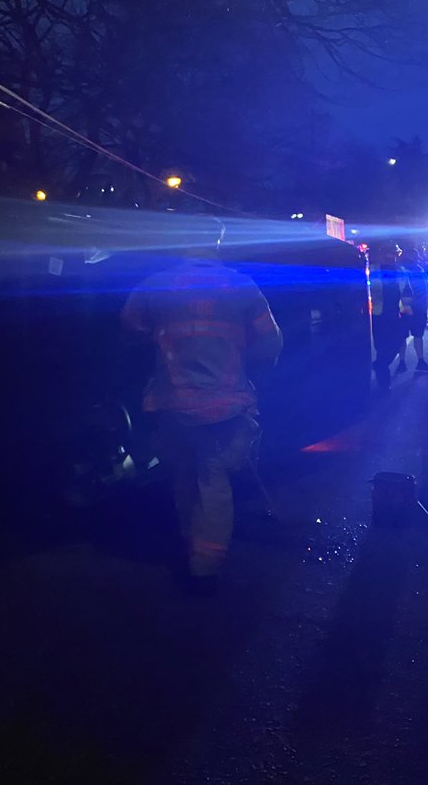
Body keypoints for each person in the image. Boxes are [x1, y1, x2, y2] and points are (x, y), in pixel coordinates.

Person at [121, 220, 282, 592]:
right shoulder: (241, 284)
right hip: (222, 404)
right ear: (217, 242)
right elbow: (269, 343)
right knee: (213, 479)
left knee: (182, 475)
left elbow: (128, 328)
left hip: (171, 401)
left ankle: (187, 541)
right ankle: (205, 565)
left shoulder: (156, 283)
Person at [369, 243, 406, 392]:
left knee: (396, 344)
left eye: (394, 254)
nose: (391, 257)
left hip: (396, 314)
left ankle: (379, 365)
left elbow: (406, 291)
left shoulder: (401, 271)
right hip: (378, 314)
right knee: (382, 347)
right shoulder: (372, 270)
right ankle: (384, 382)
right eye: (388, 253)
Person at [397, 248, 428, 373]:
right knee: (415, 336)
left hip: (408, 308)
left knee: (405, 336)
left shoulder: (404, 269)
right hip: (413, 308)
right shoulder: (414, 270)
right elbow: (422, 291)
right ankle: (417, 361)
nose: (418, 258)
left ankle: (403, 363)